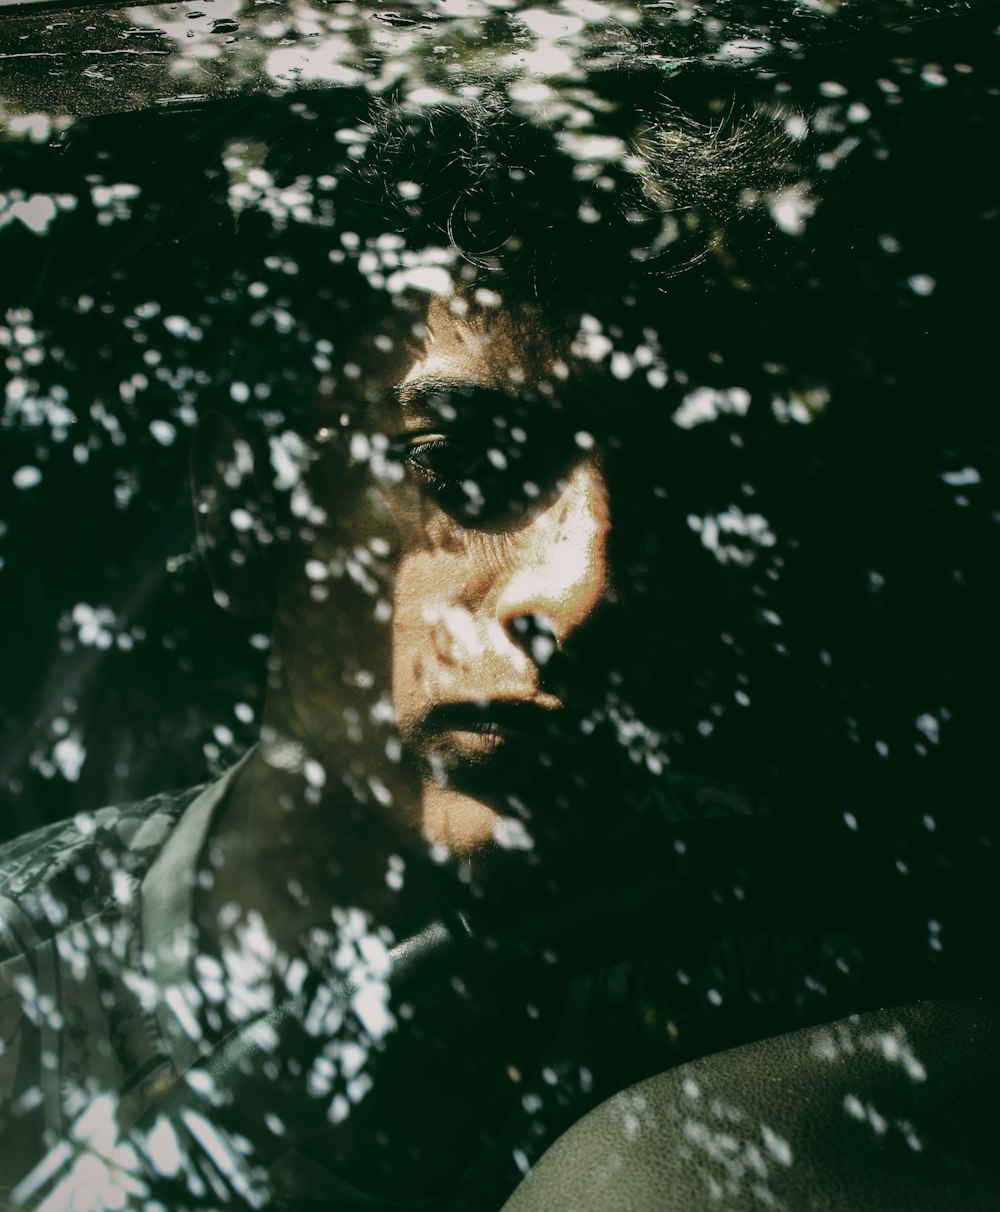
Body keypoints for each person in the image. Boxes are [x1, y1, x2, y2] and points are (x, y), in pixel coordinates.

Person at [2, 49, 996, 1212]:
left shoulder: (830, 969)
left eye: (675, 486)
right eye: (460, 462)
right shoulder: (24, 960)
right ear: (245, 500)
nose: (578, 589)